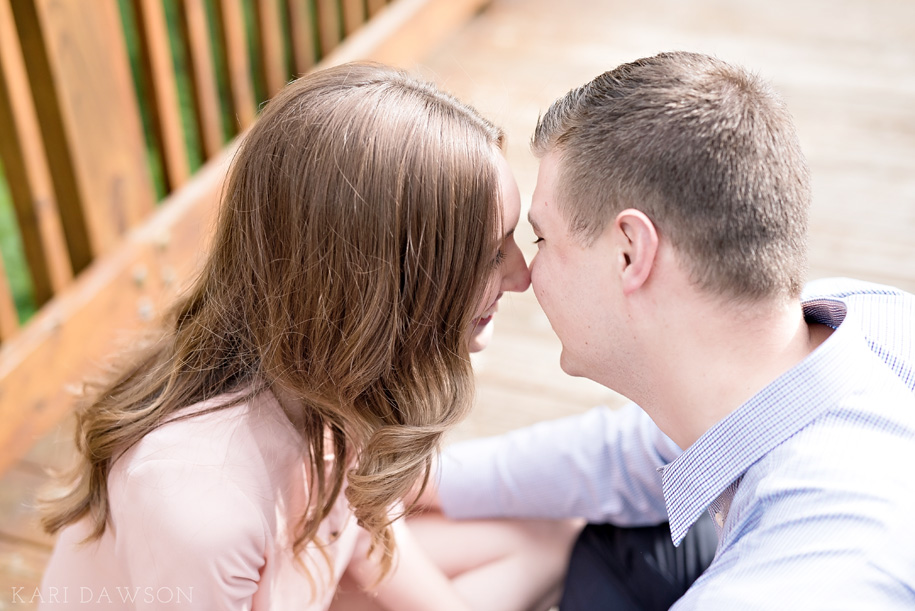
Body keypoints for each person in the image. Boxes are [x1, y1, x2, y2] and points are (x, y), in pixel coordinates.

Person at [36, 62, 539, 610]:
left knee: (545, 540)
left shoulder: (330, 384)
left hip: (300, 578)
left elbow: (359, 532)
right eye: (492, 252)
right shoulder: (205, 510)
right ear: (381, 282)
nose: (521, 275)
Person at [426, 51, 915, 609]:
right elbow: (631, 454)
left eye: (541, 240)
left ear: (630, 252)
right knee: (615, 540)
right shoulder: (849, 318)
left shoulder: (796, 580)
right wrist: (421, 482)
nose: (524, 274)